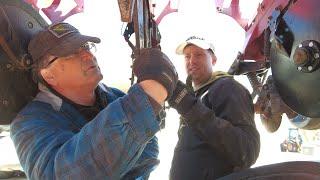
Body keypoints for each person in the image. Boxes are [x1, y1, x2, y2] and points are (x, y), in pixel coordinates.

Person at [10, 22, 178, 180]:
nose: (87, 54)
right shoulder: (29, 123)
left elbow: (149, 154)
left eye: (86, 46)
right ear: (48, 75)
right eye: (71, 52)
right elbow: (60, 175)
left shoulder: (116, 96)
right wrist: (147, 98)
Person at [168, 36, 260, 179]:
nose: (191, 61)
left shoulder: (227, 87)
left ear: (214, 60)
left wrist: (190, 108)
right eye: (187, 56)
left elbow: (247, 151)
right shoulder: (197, 97)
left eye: (199, 54)